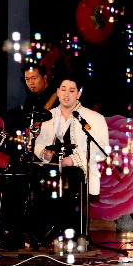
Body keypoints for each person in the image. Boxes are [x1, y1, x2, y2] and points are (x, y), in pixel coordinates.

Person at [32, 74, 109, 237]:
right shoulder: (48, 116)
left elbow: (102, 149)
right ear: (57, 92)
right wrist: (44, 153)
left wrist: (73, 159)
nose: (66, 94)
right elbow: (38, 144)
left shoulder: (94, 118)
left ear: (78, 94)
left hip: (78, 171)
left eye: (72, 90)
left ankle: (66, 231)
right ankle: (41, 231)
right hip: (51, 168)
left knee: (70, 182)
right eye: (63, 89)